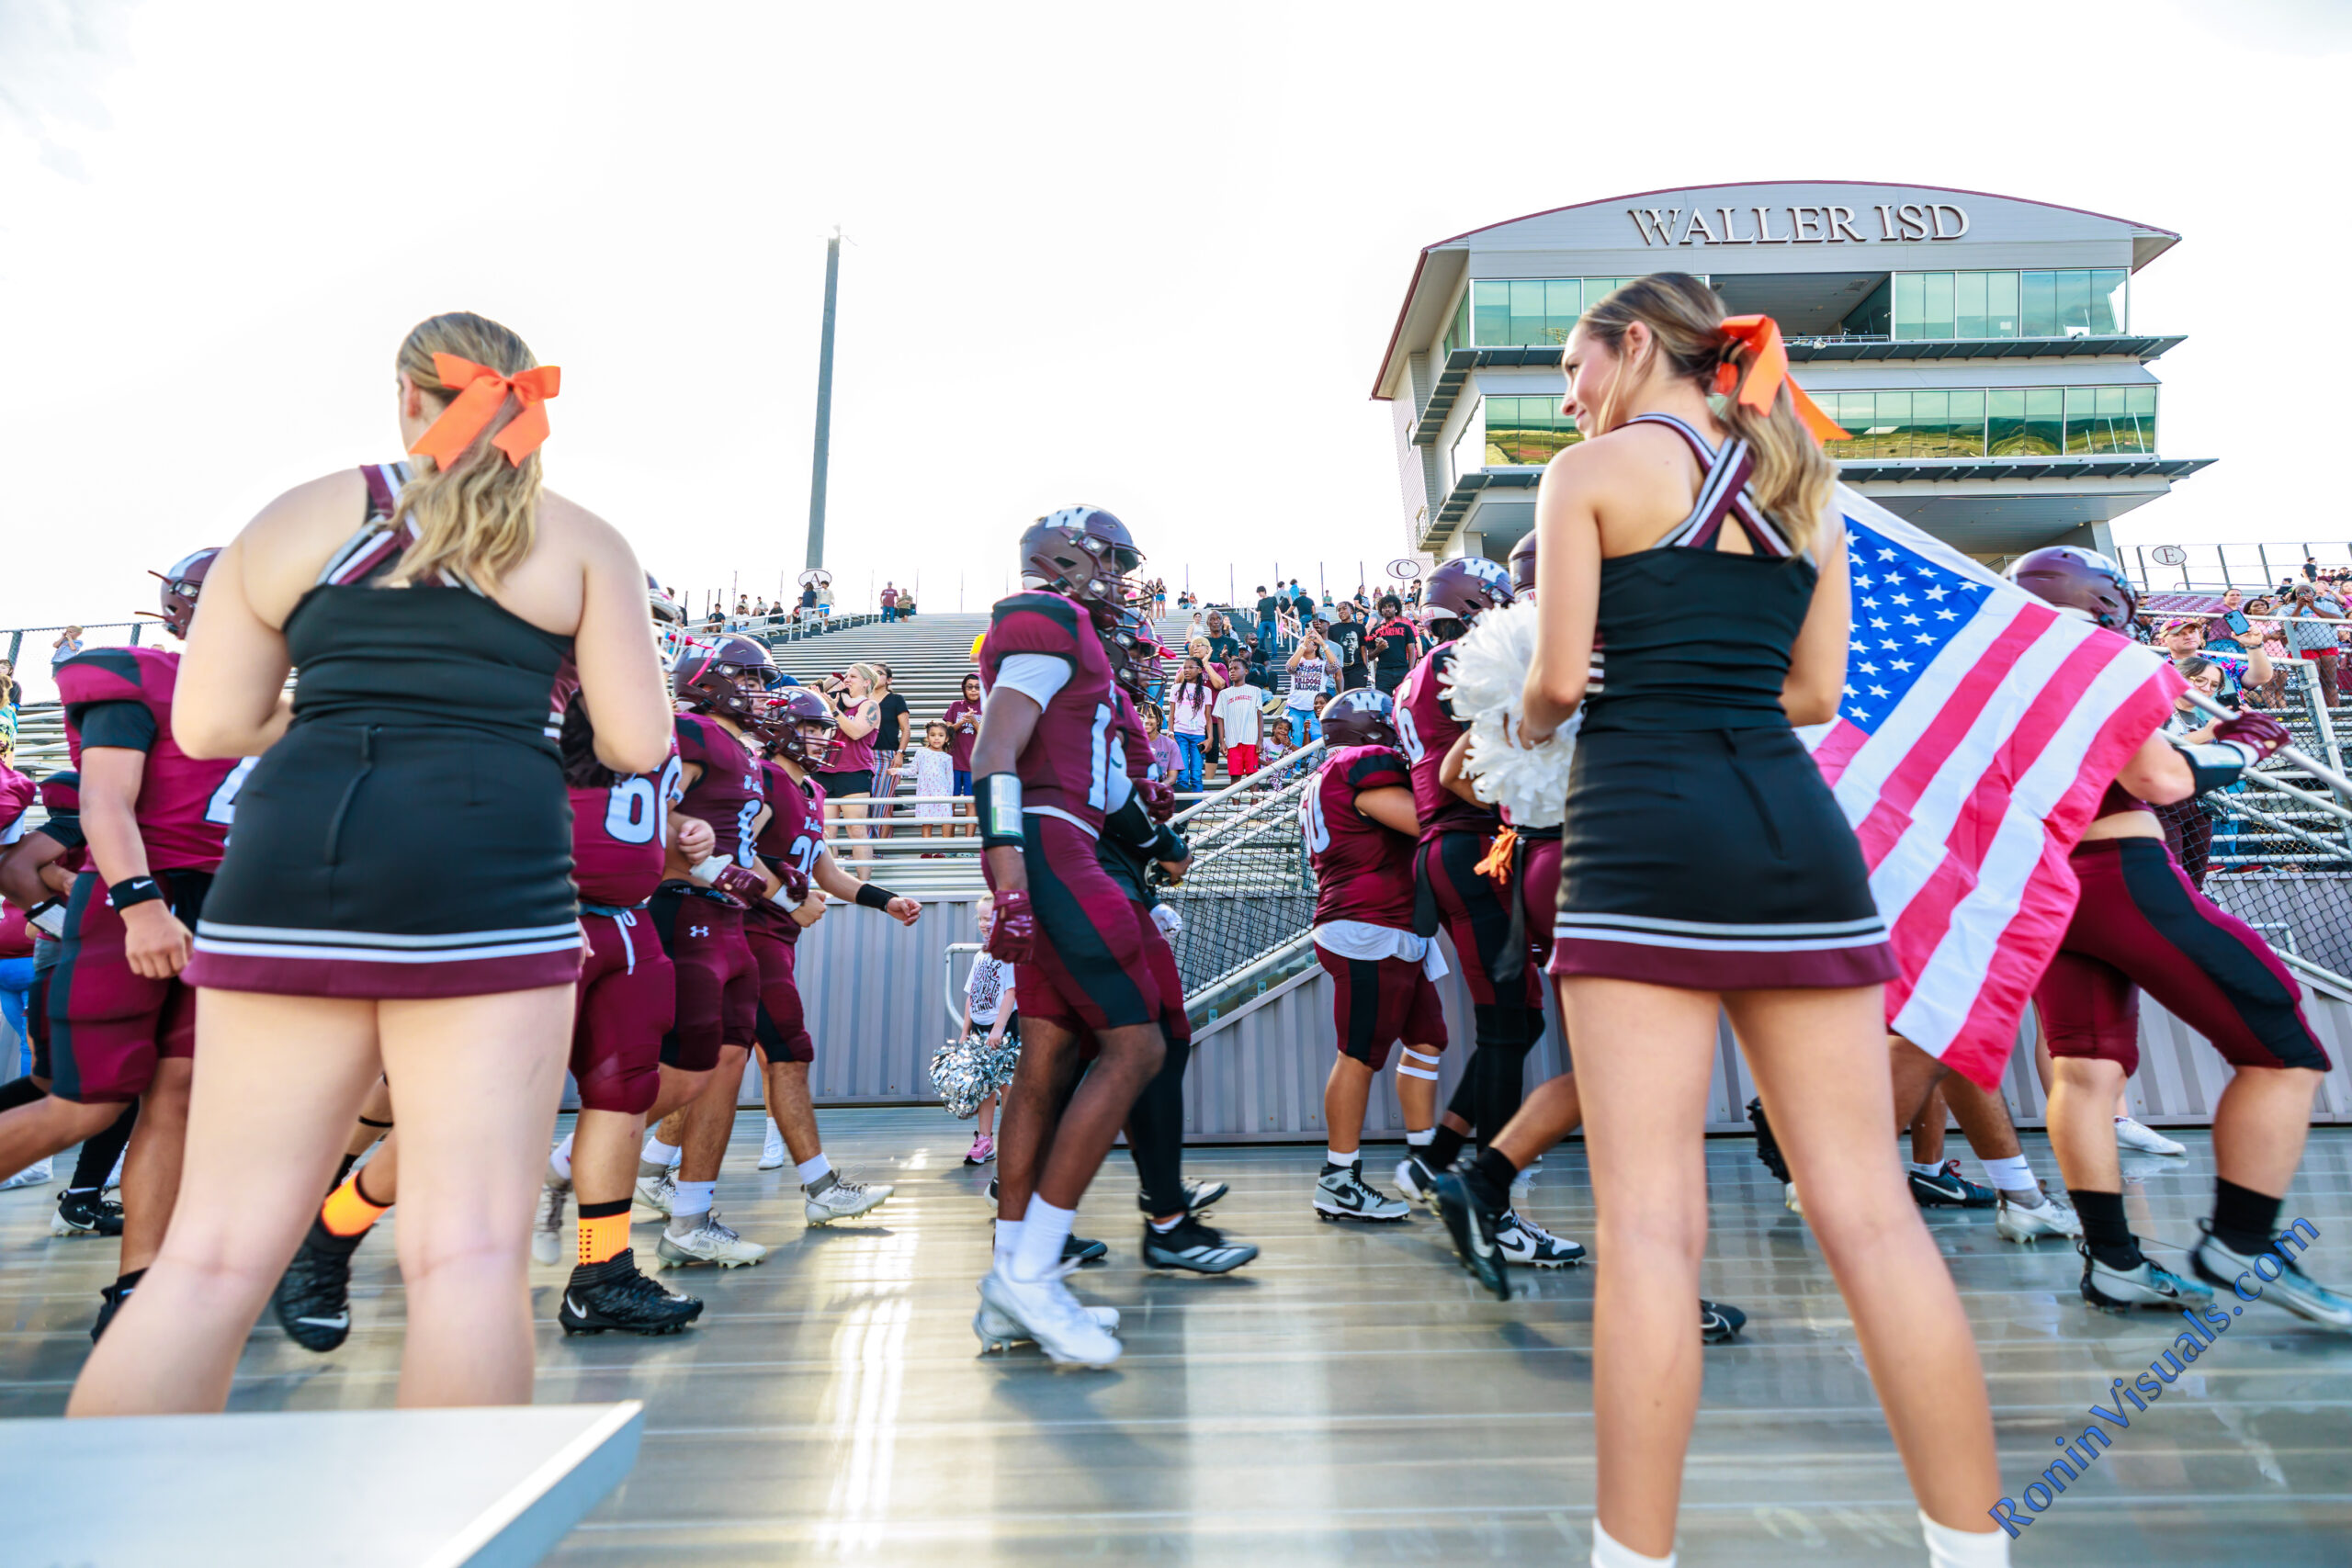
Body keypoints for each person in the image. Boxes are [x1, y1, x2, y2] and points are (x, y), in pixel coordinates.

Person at [1487, 276, 2007, 1565]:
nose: (1566, 391)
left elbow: (1555, 679)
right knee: (1871, 1207)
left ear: (1634, 345)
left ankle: (1632, 1557)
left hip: (1645, 831)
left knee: (1652, 1223)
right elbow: (1817, 692)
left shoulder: (1590, 471)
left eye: (1573, 360)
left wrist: (1514, 729)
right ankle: (1973, 1546)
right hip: (1793, 832)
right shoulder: (1804, 488)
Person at [73, 313, 673, 1416]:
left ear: (408, 401)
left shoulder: (299, 516)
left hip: (293, 868)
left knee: (208, 1259)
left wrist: (335, 702)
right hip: (489, 874)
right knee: (468, 1261)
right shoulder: (582, 539)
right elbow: (638, 747)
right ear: (522, 409)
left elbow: (210, 727)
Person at [274, 684, 711, 1346]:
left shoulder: (648, 716)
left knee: (622, 1102)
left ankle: (602, 1276)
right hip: (528, 913)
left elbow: (644, 812)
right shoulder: (527, 690)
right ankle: (329, 1232)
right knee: (466, 1115)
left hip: (628, 926)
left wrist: (683, 831)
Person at [1997, 549, 2347, 1331]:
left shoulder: (1997, 669)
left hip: (2042, 882)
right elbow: (2162, 780)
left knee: (2084, 1068)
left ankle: (2115, 1260)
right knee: (2284, 1045)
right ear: (2105, 601)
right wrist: (2248, 743)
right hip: (2121, 870)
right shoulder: (2094, 654)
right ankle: (2241, 1242)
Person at [974, 506, 1190, 1363]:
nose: (1122, 581)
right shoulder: (1050, 618)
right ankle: (1028, 1277)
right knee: (1134, 1050)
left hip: (1063, 839)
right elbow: (994, 753)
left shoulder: (1078, 639)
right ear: (1068, 560)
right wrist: (1010, 876)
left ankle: (1009, 1277)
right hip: (1053, 844)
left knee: (1050, 1055)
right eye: (1110, 563)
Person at [1390, 558, 1578, 1269]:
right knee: (1507, 1024)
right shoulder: (1463, 657)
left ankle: (1434, 1160)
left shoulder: (1419, 668)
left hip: (1450, 850)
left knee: (1514, 1021)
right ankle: (1493, 1211)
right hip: (1475, 847)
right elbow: (1463, 773)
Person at [734, 686, 913, 1224]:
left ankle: (650, 1166)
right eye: (808, 727)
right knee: (776, 1052)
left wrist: (885, 900)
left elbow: (826, 873)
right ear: (779, 728)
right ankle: (820, 1187)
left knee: (710, 1067)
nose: (819, 738)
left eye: (822, 729)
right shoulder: (762, 779)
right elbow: (732, 852)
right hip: (744, 933)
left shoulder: (810, 790)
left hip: (777, 940)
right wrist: (789, 897)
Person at [1305, 690, 1436, 1224]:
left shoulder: (1329, 770)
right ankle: (1339, 1179)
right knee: (1358, 1052)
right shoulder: (1362, 765)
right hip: (1367, 925)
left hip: (1387, 922)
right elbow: (1426, 825)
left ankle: (1427, 1161)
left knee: (1428, 1037)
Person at [961, 894, 1015, 1166]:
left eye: (990, 918)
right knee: (984, 1085)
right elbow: (971, 995)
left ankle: (1013, 1140)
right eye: (981, 918)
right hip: (979, 1029)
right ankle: (984, 1140)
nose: (985, 923)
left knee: (1006, 1084)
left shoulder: (1008, 952)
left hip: (1001, 1028)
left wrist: (999, 1028)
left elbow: (1010, 992)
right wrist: (965, 1031)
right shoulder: (979, 954)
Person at [818, 664, 883, 866]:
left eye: (852, 676)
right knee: (827, 831)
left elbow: (856, 732)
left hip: (854, 771)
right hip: (824, 770)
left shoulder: (870, 706)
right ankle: (834, 884)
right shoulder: (838, 703)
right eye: (846, 676)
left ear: (866, 682)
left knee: (856, 829)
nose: (847, 680)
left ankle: (863, 885)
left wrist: (834, 711)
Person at [2283, 580, 2344, 706]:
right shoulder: (2287, 609)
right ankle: (2311, 714)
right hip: (2302, 648)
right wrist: (2300, 607)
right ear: (2295, 595)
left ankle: (2335, 713)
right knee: (2308, 682)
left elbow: (2338, 620)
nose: (2304, 594)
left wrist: (2313, 607)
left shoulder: (2328, 605)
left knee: (2330, 681)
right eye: (2300, 592)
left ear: (2314, 593)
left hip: (2328, 646)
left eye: (2307, 591)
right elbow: (2287, 627)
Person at [870, 664, 911, 841]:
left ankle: (878, 847)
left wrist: (900, 753)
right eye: (871, 672)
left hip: (887, 756)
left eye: (879, 673)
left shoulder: (896, 699)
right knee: (864, 803)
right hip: (862, 756)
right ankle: (864, 846)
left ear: (889, 680)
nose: (875, 675)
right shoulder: (860, 699)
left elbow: (906, 729)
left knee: (882, 802)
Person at [1167, 657, 1216, 793]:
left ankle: (1196, 808)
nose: (1186, 670)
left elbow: (1208, 717)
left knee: (1196, 775)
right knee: (1182, 775)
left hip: (1198, 735)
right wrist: (1171, 734)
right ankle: (1184, 810)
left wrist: (1210, 738)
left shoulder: (1206, 691)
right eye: (1185, 667)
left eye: (1190, 667)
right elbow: (1171, 714)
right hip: (1179, 734)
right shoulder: (1176, 688)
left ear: (1199, 670)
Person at [1212, 659, 1264, 782]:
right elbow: (1220, 719)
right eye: (1230, 669)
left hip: (1251, 740)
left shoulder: (1255, 691)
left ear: (1246, 671)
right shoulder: (1224, 694)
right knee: (1235, 777)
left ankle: (1254, 801)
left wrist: (1260, 740)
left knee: (1253, 777)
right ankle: (1236, 802)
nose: (1232, 671)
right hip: (1232, 741)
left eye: (1236, 668)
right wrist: (1222, 742)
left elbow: (1259, 716)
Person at [944, 671, 984, 829]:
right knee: (950, 804)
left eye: (977, 687)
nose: (974, 690)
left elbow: (988, 734)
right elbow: (947, 732)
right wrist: (961, 721)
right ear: (964, 689)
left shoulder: (987, 707)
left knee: (970, 804)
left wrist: (974, 721)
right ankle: (949, 846)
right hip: (953, 763)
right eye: (970, 687)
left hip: (974, 765)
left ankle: (967, 845)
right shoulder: (956, 706)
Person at [1284, 621, 1334, 743]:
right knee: (1296, 739)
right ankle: (1296, 763)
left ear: (1315, 647)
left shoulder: (1323, 664)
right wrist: (1304, 643)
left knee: (1316, 739)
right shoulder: (1296, 662)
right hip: (1295, 708)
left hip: (1315, 709)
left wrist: (1322, 642)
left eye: (1308, 642)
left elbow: (1335, 666)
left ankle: (1312, 763)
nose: (1305, 643)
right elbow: (1289, 667)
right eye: (1301, 642)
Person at [913, 722, 956, 848]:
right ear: (927, 737)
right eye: (933, 735)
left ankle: (944, 849)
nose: (936, 738)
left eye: (941, 735)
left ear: (946, 738)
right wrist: (897, 771)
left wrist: (950, 798)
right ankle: (927, 850)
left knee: (946, 820)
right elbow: (912, 770)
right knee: (927, 821)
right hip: (925, 792)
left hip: (942, 793)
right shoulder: (921, 753)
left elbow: (950, 780)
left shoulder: (947, 758)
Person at [1366, 595, 1419, 695]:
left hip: (1402, 670)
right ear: (1381, 610)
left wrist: (1410, 672)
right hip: (1383, 672)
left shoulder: (1406, 628)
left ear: (1396, 609)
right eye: (1384, 607)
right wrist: (1379, 649)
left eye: (1390, 606)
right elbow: (1370, 656)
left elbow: (1412, 652)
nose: (1387, 609)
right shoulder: (1375, 630)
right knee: (1384, 704)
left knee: (1404, 703)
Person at [1325, 602, 1367, 693]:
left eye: (1344, 608)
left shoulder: (1360, 627)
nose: (1341, 611)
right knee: (1342, 701)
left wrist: (1365, 668)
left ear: (1352, 610)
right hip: (1340, 671)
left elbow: (1363, 649)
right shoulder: (1332, 629)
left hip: (1358, 670)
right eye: (1339, 610)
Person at [1254, 585, 1280, 659]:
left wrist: (1281, 618)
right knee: (1260, 637)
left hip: (1271, 621)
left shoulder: (1272, 599)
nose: (1259, 594)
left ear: (1263, 591)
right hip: (1263, 622)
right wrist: (1256, 622)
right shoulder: (1260, 601)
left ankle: (1274, 654)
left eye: (1259, 592)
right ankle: (1264, 654)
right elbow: (1259, 612)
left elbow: (1277, 609)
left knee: (1273, 638)